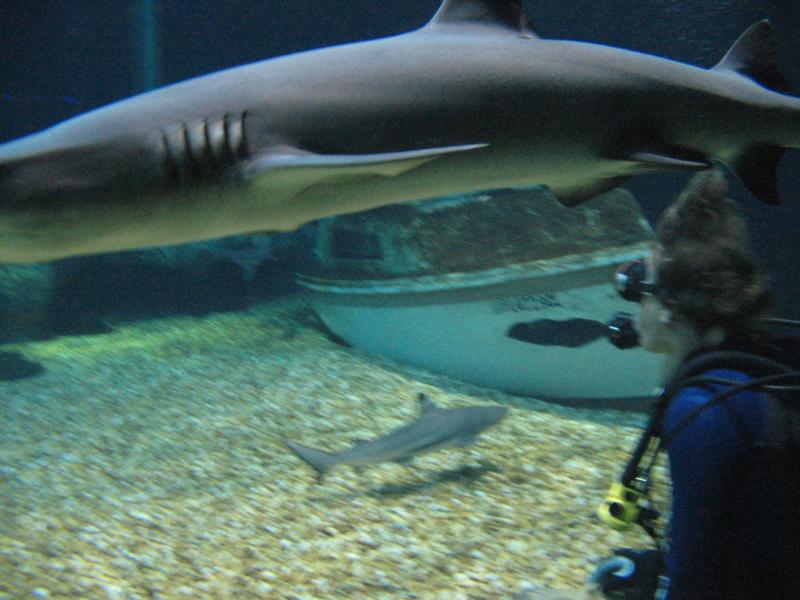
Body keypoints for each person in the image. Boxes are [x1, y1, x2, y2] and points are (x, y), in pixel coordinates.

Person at [591, 170, 800, 599]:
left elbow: (695, 586)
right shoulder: (755, 374)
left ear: (668, 305)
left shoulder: (705, 411)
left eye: (641, 289)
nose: (636, 307)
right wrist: (654, 569)